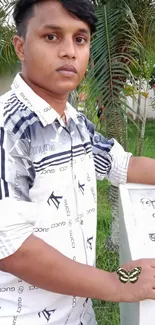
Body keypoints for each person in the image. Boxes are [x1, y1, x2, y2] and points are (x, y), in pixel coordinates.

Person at [0, 1, 155, 324]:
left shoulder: (75, 123)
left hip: (78, 313)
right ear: (20, 46)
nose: (69, 52)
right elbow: (11, 248)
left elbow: (121, 165)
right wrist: (116, 284)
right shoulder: (9, 129)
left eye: (80, 39)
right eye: (52, 37)